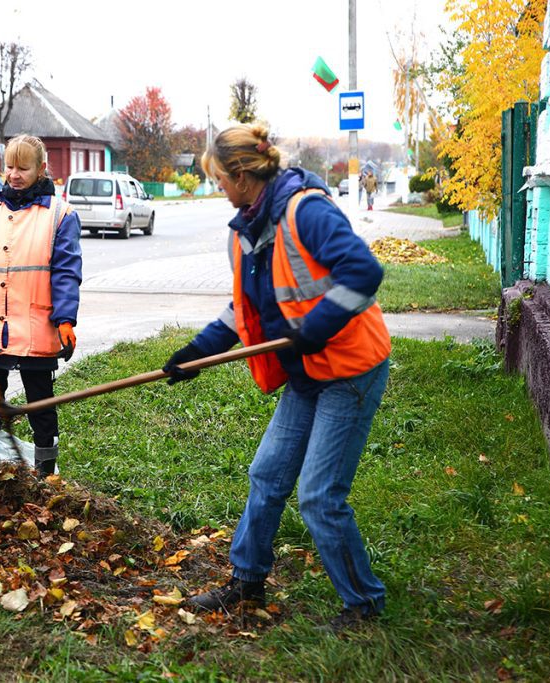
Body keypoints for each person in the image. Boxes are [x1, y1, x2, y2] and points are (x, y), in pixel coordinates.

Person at [163, 124, 391, 632]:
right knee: (267, 475)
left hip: (350, 369)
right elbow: (243, 309)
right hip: (307, 372)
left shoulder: (305, 211)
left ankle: (364, 604)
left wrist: (315, 327)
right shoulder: (245, 229)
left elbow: (364, 273)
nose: (218, 187)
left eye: (220, 178)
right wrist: (197, 352)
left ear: (243, 176)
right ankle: (247, 580)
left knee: (318, 495)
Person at [0, 135, 82, 476]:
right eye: (10, 167)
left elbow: (66, 272)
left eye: (23, 168)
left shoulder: (60, 216)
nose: (14, 175)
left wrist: (65, 320)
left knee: (40, 405)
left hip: (35, 326)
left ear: (42, 169)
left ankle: (46, 471)